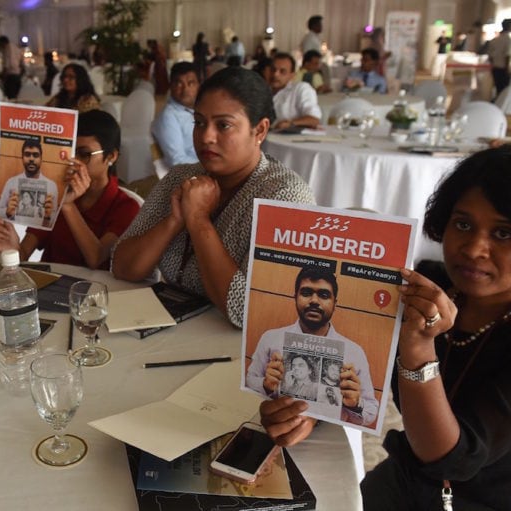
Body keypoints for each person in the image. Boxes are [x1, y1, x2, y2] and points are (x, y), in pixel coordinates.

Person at [358, 146, 511, 509]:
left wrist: (418, 348)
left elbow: (454, 458)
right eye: (463, 224)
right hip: (405, 478)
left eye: (504, 233)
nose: (474, 249)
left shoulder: (423, 312)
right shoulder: (430, 285)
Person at [112, 67, 315, 328]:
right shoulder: (180, 179)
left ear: (260, 130)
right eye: (199, 122)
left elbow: (246, 311)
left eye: (224, 125)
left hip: (235, 354)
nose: (206, 137)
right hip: (171, 333)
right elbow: (123, 267)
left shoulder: (284, 197)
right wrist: (174, 221)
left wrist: (197, 219)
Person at [0, 110, 139, 270]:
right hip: (50, 283)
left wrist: (68, 206)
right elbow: (24, 252)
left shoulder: (126, 207)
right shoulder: (55, 191)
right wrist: (12, 247)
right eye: (69, 152)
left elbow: (96, 259)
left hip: (93, 291)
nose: (73, 161)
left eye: (83, 154)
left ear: (111, 157)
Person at [246, 266, 379, 426]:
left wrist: (356, 404)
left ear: (334, 303)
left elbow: (371, 412)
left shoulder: (354, 352)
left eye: (323, 295)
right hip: (275, 423)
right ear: (295, 297)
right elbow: (249, 380)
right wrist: (265, 386)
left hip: (329, 433)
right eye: (306, 293)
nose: (314, 301)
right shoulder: (271, 338)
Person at [0, 139, 59, 228]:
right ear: (22, 158)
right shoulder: (11, 182)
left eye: (35, 155)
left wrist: (48, 217)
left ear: (41, 159)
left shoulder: (52, 186)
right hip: (14, 230)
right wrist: (7, 212)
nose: (31, 159)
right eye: (27, 154)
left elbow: (54, 219)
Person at [151, 62, 200, 168]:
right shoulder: (169, 117)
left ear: (198, 86)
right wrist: (211, 166)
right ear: (171, 86)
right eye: (179, 83)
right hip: (194, 176)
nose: (185, 89)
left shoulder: (199, 110)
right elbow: (177, 161)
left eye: (190, 83)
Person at [270, 53, 321, 130]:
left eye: (282, 71)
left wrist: (291, 123)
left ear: (292, 75)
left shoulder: (301, 89)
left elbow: (314, 119)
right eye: (273, 70)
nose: (275, 74)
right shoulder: (260, 90)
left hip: (289, 139)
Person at [486, 19, 511, 96]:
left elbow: (490, 57)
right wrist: (507, 70)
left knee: (497, 88)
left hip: (495, 68)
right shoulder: (508, 40)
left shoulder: (494, 40)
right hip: (503, 69)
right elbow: (507, 56)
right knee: (503, 91)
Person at [0, 35, 24, 100]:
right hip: (17, 75)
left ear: (3, 42)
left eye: (0, 45)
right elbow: (21, 62)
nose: (0, 47)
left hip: (11, 76)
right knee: (16, 96)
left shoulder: (7, 49)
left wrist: (3, 75)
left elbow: (7, 64)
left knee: (11, 97)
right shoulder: (16, 47)